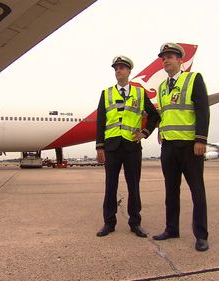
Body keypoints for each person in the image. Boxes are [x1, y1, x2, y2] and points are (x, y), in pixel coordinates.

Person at [151, 43, 210, 251]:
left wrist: (201, 139)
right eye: (163, 57)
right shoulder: (161, 87)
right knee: (171, 191)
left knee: (197, 192)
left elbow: (203, 110)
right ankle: (171, 229)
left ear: (180, 60)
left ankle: (201, 235)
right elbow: (164, 114)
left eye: (170, 56)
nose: (166, 60)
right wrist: (160, 131)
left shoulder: (193, 79)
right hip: (168, 147)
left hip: (189, 147)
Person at [95, 55, 159, 238]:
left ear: (129, 71)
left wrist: (145, 133)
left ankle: (135, 222)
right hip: (112, 147)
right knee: (110, 186)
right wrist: (100, 147)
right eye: (116, 68)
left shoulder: (139, 93)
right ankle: (109, 223)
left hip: (132, 146)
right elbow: (101, 122)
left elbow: (154, 115)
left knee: (134, 186)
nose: (118, 71)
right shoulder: (106, 94)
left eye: (122, 68)